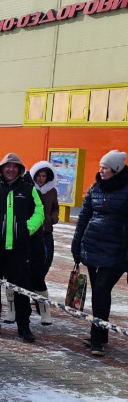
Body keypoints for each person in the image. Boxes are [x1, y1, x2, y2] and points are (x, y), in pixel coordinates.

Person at [0, 153, 44, 342]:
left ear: (19, 170)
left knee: (21, 288)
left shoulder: (29, 189)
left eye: (15, 166)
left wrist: (28, 229)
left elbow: (39, 212)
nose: (11, 169)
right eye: (7, 166)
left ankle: (24, 326)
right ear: (2, 168)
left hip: (20, 248)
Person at [71, 150, 128, 357]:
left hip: (117, 250)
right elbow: (84, 217)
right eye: (101, 167)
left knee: (102, 289)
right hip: (92, 247)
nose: (101, 170)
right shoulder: (94, 188)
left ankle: (96, 338)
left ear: (116, 169)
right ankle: (101, 333)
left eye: (105, 168)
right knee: (99, 293)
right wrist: (76, 245)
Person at [29, 160, 59, 325]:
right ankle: (36, 299)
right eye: (39, 176)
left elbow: (55, 208)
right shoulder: (29, 189)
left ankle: (37, 294)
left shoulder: (51, 191)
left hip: (47, 233)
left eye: (44, 176)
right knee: (33, 268)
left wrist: (52, 218)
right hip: (33, 233)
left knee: (46, 265)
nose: (41, 179)